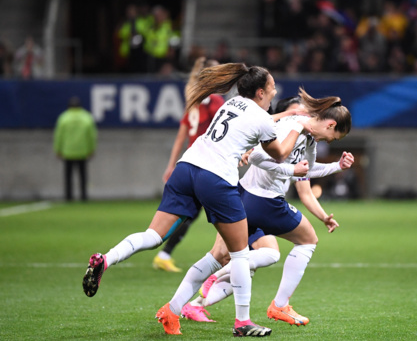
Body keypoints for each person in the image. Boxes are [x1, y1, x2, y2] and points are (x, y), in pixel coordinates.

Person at [82, 63, 310, 338]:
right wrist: (297, 123)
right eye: (272, 87)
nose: (275, 92)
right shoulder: (262, 118)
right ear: (261, 91)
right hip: (215, 178)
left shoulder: (232, 103)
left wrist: (286, 113)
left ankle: (106, 260)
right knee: (237, 254)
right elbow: (281, 154)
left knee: (153, 235)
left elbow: (259, 122)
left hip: (187, 167)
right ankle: (243, 322)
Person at [159, 88, 353, 330]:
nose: (330, 141)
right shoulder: (291, 127)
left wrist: (336, 166)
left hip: (243, 195)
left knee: (218, 257)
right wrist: (290, 171)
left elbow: (306, 171)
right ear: (331, 124)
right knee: (307, 240)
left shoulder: (308, 136)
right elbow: (259, 157)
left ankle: (174, 308)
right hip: (264, 201)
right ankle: (279, 305)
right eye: (334, 136)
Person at [152, 57, 224, 273]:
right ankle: (231, 257)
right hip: (209, 164)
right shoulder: (215, 101)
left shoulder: (194, 100)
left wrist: (171, 165)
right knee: (229, 211)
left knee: (191, 213)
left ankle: (164, 253)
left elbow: (181, 136)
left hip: (191, 161)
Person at [53, 96, 97, 201]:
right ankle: (84, 196)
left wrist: (57, 149)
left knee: (68, 176)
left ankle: (68, 197)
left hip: (68, 151)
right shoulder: (87, 117)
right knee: (83, 176)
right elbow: (92, 135)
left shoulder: (64, 118)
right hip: (82, 151)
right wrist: (92, 149)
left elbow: (58, 135)